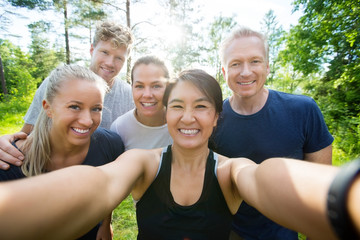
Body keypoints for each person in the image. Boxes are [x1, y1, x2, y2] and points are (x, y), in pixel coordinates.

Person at [1, 69, 358, 240]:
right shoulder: (142, 162)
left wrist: (348, 197)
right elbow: (98, 184)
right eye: (177, 107)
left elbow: (267, 179)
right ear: (166, 114)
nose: (188, 117)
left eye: (201, 107)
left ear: (217, 117)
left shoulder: (232, 171)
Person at [209, 26, 334, 239]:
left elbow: (324, 193)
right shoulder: (212, 120)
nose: (246, 71)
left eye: (255, 61)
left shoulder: (303, 110)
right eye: (235, 63)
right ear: (224, 71)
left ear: (267, 67)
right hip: (230, 233)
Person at [0, 64, 125, 240]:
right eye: (74, 106)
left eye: (96, 108)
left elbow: (108, 187)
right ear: (48, 107)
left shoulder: (110, 144)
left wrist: (105, 223)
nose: (87, 121)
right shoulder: (9, 162)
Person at [0, 20, 134, 170]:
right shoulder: (57, 82)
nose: (110, 62)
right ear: (92, 49)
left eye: (119, 58)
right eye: (105, 52)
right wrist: (8, 143)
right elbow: (28, 133)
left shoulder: (130, 96)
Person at [110, 55, 172, 150]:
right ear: (132, 88)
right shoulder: (119, 128)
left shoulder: (179, 124)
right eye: (139, 86)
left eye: (156, 86)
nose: (147, 95)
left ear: (168, 87)